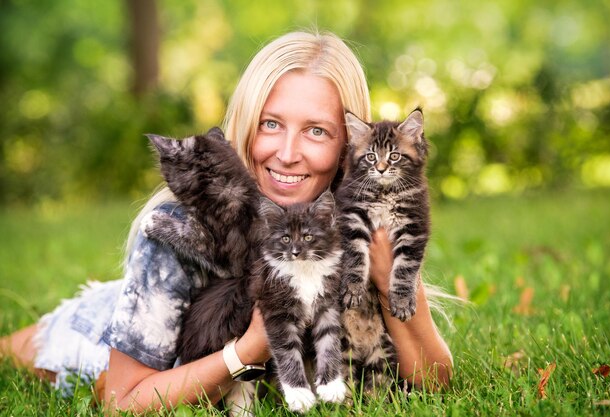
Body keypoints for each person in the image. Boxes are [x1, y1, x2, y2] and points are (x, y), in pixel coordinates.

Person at [0, 30, 453, 412]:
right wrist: (248, 350)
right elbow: (122, 401)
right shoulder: (181, 225)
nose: (288, 153)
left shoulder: (357, 217)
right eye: (271, 124)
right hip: (115, 326)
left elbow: (434, 382)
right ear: (245, 123)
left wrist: (389, 275)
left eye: (317, 131)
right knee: (27, 350)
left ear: (347, 145)